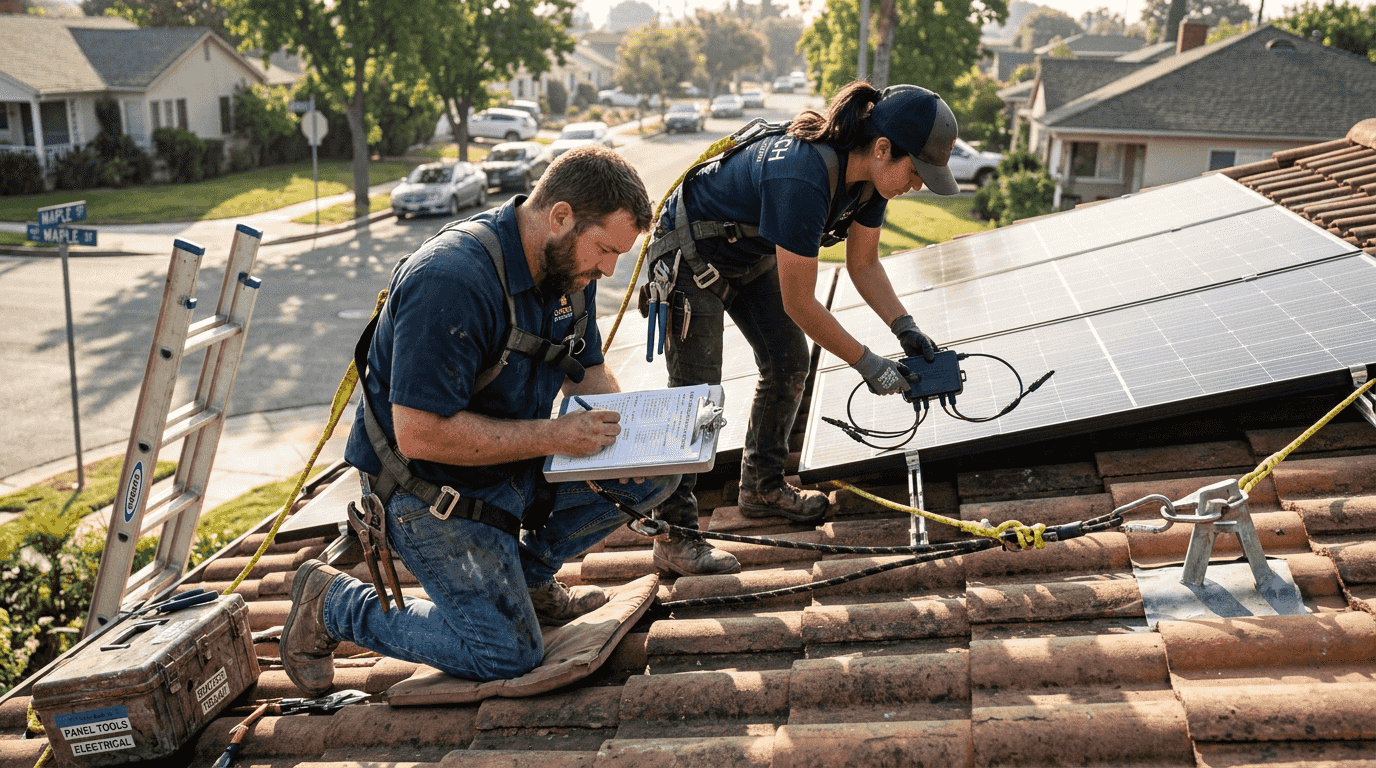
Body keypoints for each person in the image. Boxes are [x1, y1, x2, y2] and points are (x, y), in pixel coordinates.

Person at [281, 146, 677, 694]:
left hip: (514, 468)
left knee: (654, 473)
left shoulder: (568, 271)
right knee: (507, 655)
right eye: (605, 250)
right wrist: (557, 435)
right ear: (560, 216)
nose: (608, 270)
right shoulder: (451, 279)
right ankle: (334, 605)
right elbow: (419, 434)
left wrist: (645, 436)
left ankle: (528, 580)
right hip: (431, 492)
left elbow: (587, 375)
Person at [645, 81, 959, 577]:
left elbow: (865, 265)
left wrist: (905, 328)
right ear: (882, 149)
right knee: (696, 393)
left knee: (789, 362)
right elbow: (799, 302)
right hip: (691, 251)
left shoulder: (869, 183)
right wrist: (868, 364)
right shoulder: (803, 175)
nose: (917, 185)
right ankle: (675, 536)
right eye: (916, 172)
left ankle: (762, 486)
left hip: (746, 251)